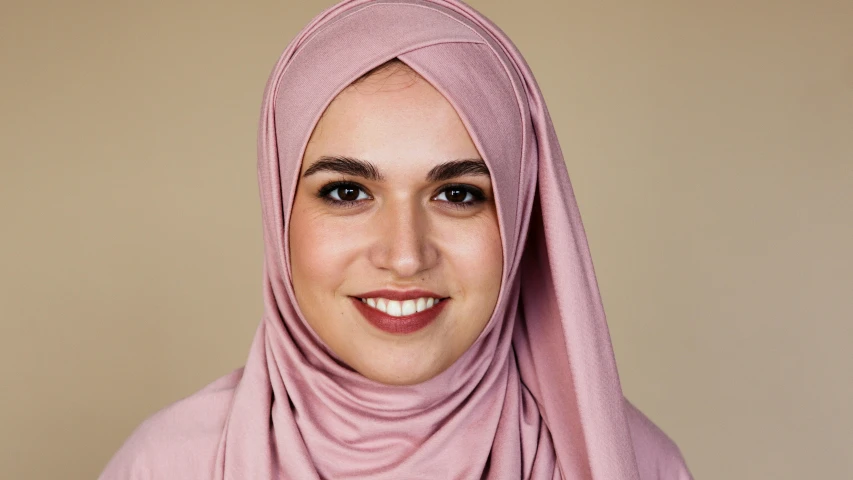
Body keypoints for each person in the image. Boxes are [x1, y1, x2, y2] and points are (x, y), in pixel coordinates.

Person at [100, 0, 693, 478]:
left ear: (520, 219)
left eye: (458, 194)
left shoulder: (635, 464)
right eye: (347, 192)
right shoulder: (166, 465)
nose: (405, 255)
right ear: (279, 211)